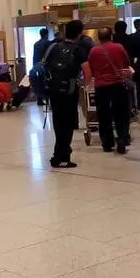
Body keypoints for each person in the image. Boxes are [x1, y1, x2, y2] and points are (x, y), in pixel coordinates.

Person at [43, 20, 89, 168]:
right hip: (69, 92)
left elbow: (43, 66)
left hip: (54, 91)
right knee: (68, 125)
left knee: (58, 124)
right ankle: (62, 158)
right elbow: (87, 72)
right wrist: (83, 85)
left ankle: (58, 155)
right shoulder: (78, 50)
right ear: (79, 34)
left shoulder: (53, 47)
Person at [86, 27, 132, 154]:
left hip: (101, 86)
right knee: (121, 113)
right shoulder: (118, 47)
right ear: (111, 36)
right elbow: (126, 63)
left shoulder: (93, 51)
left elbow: (91, 67)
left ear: (99, 38)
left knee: (103, 114)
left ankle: (107, 143)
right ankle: (122, 138)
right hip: (117, 84)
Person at [32, 28, 53, 106]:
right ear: (47, 34)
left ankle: (39, 100)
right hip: (46, 65)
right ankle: (49, 100)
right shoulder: (48, 43)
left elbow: (34, 56)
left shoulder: (36, 44)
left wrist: (34, 66)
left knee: (39, 82)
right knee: (48, 82)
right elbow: (50, 55)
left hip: (37, 65)